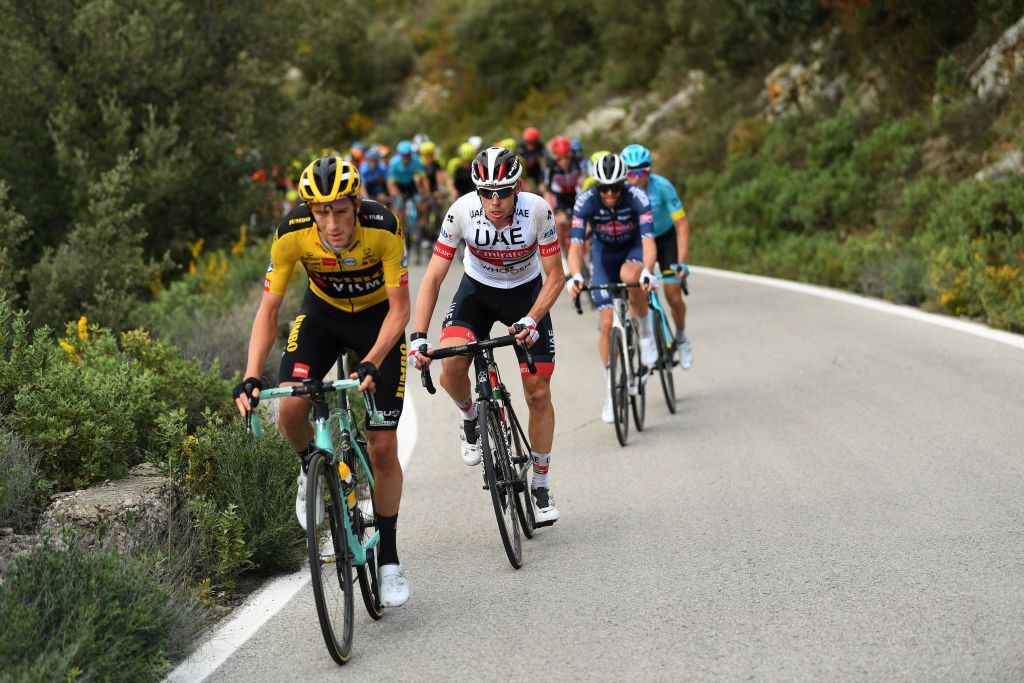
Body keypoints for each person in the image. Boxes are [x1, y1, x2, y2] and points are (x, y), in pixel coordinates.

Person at [232, 156, 412, 607]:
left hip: (377, 321)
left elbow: (401, 309)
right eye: (321, 212)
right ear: (310, 210)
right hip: (323, 317)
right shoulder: (291, 232)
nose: (332, 223)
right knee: (290, 407)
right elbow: (268, 310)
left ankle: (388, 558)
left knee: (383, 446)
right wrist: (252, 374)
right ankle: (308, 468)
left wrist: (371, 361)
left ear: (356, 202)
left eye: (340, 210)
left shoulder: (383, 226)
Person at [409, 146, 563, 525]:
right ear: (477, 191)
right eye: (486, 192)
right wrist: (417, 335)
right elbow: (432, 276)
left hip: (526, 296)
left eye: (504, 192)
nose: (495, 202)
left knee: (538, 391)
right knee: (451, 366)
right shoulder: (461, 211)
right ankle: (470, 416)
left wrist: (532, 319)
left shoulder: (538, 210)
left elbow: (556, 276)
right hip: (477, 292)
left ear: (518, 187)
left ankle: (541, 484)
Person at [566, 153, 658, 424]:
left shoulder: (637, 198)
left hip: (632, 248)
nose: (608, 194)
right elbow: (575, 245)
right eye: (603, 188)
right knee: (606, 323)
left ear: (623, 184)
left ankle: (644, 333)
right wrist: (575, 277)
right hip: (603, 254)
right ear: (596, 186)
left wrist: (648, 271)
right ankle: (610, 389)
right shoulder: (585, 200)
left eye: (615, 188)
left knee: (632, 276)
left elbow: (649, 240)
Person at [621, 143, 693, 368]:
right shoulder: (620, 192)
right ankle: (645, 336)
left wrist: (681, 263)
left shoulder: (662, 187)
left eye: (640, 172)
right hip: (641, 243)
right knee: (637, 288)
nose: (635, 178)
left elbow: (681, 225)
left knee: (673, 296)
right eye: (630, 173)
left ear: (649, 171)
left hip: (665, 239)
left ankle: (681, 337)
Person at [541, 135, 584, 275]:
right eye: (559, 158)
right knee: (558, 223)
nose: (564, 161)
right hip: (559, 198)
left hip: (575, 195)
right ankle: (563, 257)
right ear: (554, 157)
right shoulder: (550, 167)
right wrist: (550, 210)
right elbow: (547, 190)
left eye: (566, 157)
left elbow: (584, 182)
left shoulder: (578, 162)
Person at [387, 139, 430, 252]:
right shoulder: (394, 163)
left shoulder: (416, 161)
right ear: (400, 155)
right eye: (404, 155)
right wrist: (396, 195)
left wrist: (426, 192)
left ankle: (422, 227)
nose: (406, 158)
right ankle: (403, 234)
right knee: (399, 211)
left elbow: (423, 178)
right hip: (398, 187)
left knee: (423, 204)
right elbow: (391, 183)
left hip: (411, 186)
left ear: (411, 154)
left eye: (408, 155)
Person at [516, 127, 547, 193]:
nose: (531, 145)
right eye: (529, 142)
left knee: (543, 189)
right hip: (524, 170)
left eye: (534, 143)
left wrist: (543, 182)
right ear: (525, 141)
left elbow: (546, 161)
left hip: (536, 169)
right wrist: (524, 180)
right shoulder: (520, 148)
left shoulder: (540, 146)